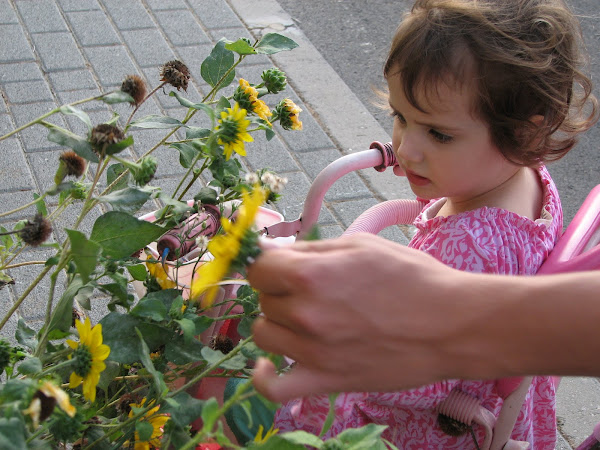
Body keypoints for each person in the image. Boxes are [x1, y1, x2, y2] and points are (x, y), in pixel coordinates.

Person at [249, 0, 598, 448]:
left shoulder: (467, 243)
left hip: (429, 427)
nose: (406, 149)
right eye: (400, 116)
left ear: (526, 134)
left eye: (438, 134)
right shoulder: (526, 176)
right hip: (507, 400)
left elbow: (406, 381)